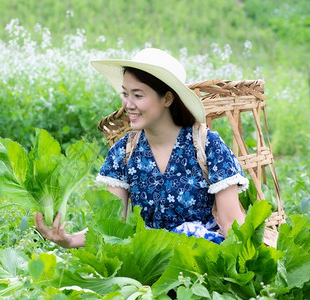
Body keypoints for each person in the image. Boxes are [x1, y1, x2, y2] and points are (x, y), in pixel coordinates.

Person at [35, 48, 248, 248]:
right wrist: (69, 240)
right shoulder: (123, 153)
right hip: (148, 258)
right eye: (125, 94)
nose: (128, 104)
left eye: (138, 95)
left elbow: (231, 225)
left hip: (200, 257)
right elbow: (114, 226)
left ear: (167, 98)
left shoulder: (207, 146)